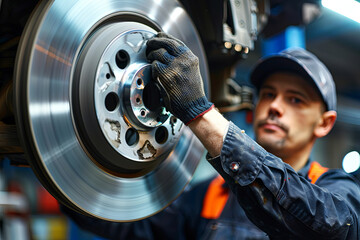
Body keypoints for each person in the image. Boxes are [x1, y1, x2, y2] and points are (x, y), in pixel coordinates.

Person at [62, 33, 360, 239]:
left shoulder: (337, 191)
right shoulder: (209, 196)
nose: (275, 107)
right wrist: (61, 175)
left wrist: (199, 113)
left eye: (296, 100)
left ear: (324, 123)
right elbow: (133, 228)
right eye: (268, 94)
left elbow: (329, 227)